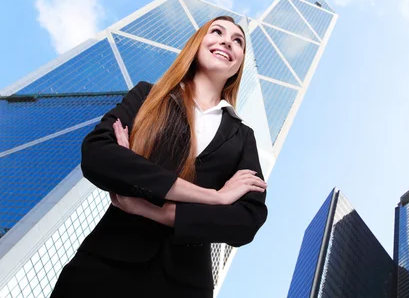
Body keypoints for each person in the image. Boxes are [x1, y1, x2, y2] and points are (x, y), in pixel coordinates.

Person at [50, 16, 268, 298]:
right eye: (217, 32)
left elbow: (246, 220)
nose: (228, 41)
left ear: (238, 65)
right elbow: (98, 154)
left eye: (238, 41)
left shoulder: (242, 137)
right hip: (104, 269)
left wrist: (150, 208)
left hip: (183, 286)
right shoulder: (148, 96)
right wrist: (215, 197)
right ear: (197, 43)